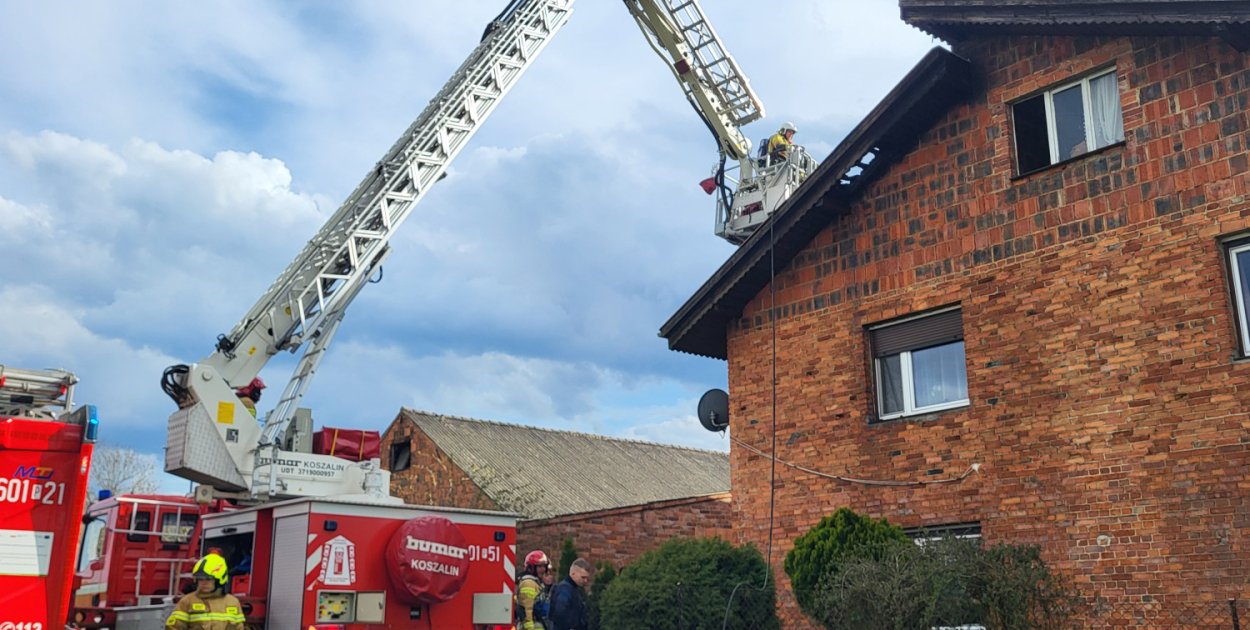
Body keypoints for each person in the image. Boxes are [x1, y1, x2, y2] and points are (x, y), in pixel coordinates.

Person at [164, 553, 245, 629]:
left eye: (208, 579)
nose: (204, 583)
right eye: (200, 579)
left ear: (219, 580)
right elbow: (174, 628)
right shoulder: (187, 601)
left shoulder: (233, 602)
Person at [548, 557, 591, 630]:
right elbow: (560, 612)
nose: (585, 581)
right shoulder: (565, 589)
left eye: (587, 578)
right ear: (573, 573)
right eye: (583, 577)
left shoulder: (571, 589)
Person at [515, 549, 552, 630]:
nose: (543, 569)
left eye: (544, 566)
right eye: (539, 566)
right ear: (531, 568)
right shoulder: (528, 583)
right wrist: (529, 627)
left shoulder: (536, 582)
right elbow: (527, 608)